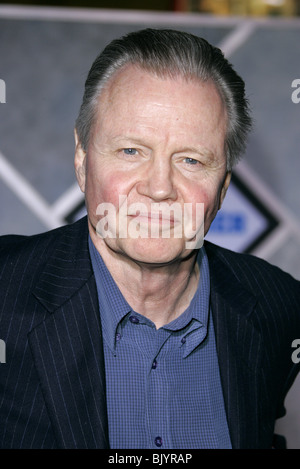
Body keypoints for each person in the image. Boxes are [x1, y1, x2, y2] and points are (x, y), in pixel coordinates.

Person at [0, 28, 299, 450]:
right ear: (83, 160)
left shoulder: (280, 307)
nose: (160, 187)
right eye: (131, 151)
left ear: (224, 187)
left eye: (191, 160)